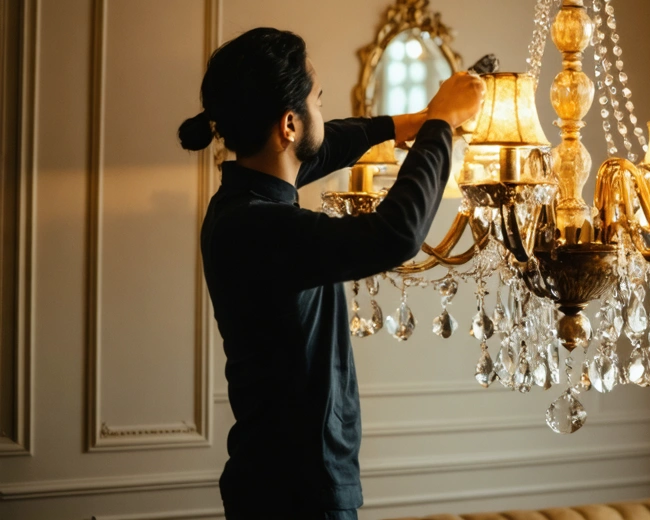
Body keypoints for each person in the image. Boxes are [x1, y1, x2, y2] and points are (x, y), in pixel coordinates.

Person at [178, 27, 484, 520]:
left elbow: (328, 143)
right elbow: (397, 234)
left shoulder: (241, 205)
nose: (325, 108)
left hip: (281, 487)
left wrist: (414, 121)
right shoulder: (258, 226)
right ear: (289, 124)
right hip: (297, 497)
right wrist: (441, 125)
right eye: (317, 100)